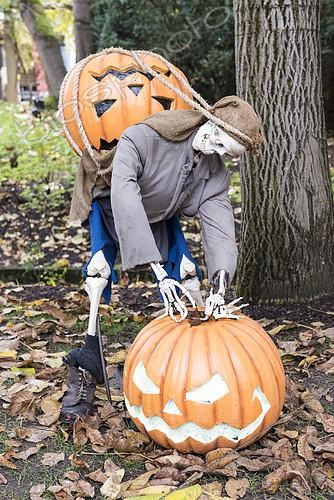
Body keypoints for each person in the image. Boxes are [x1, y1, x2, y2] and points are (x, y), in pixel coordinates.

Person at [60, 95, 262, 423]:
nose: (223, 156)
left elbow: (219, 222)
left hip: (162, 214)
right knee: (98, 271)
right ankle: (87, 359)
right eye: (225, 147)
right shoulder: (143, 137)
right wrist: (156, 271)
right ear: (213, 126)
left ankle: (197, 364)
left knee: (185, 273)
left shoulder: (213, 171)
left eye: (231, 155)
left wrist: (221, 280)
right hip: (112, 208)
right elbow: (124, 192)